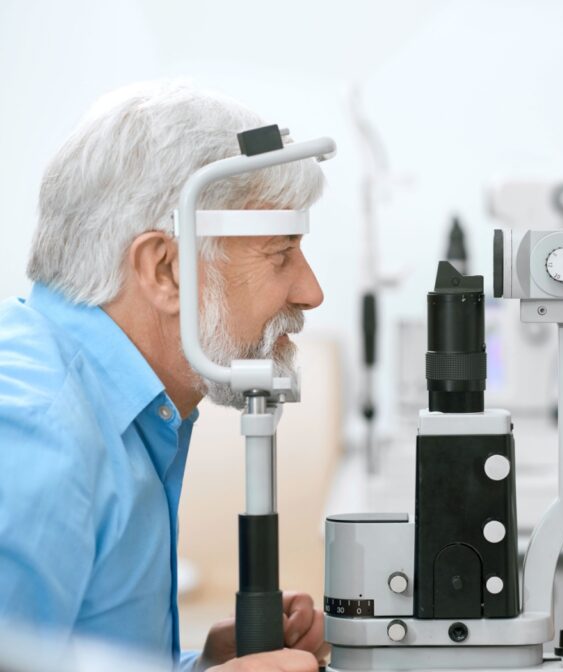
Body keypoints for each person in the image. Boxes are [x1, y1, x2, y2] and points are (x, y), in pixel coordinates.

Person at [0, 81, 330, 672]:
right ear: (167, 269)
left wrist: (199, 666)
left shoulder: (128, 413)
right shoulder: (33, 429)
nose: (311, 292)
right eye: (279, 254)